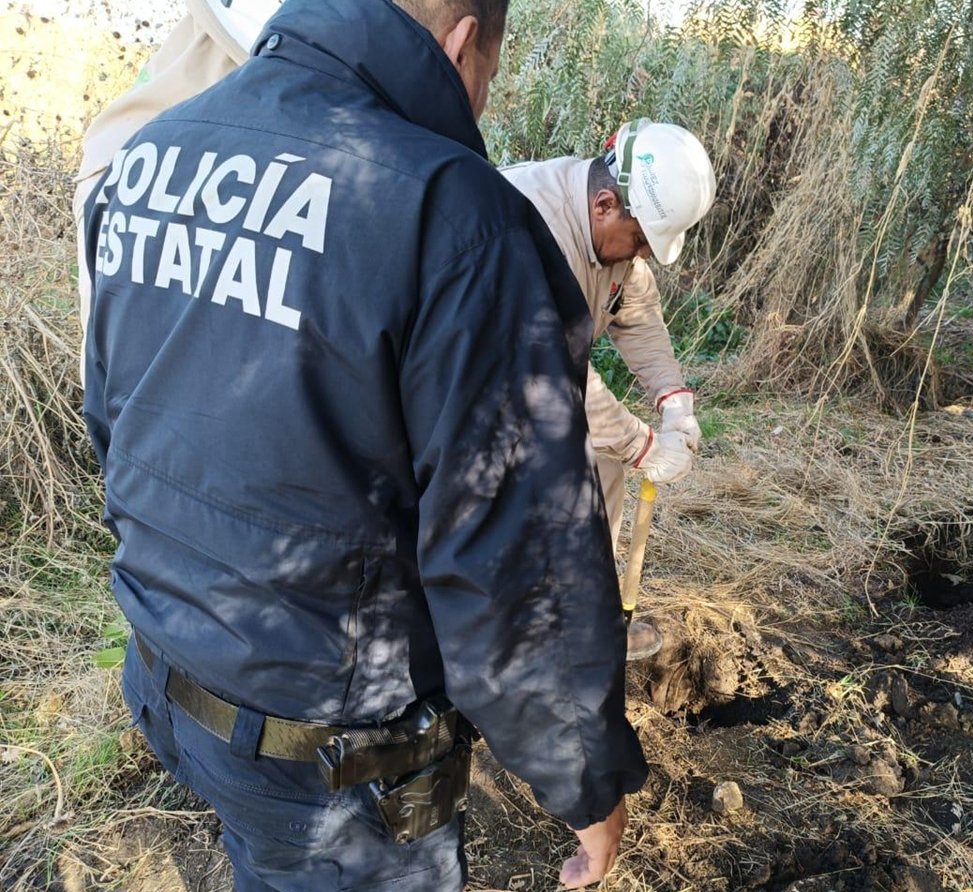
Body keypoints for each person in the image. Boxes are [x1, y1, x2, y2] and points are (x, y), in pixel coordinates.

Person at [78, 0, 648, 889]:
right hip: (324, 760)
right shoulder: (454, 217)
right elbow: (513, 564)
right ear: (462, 40)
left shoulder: (153, 151)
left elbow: (113, 411)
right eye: (489, 74)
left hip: (166, 672)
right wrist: (588, 782)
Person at [502, 122, 716, 659]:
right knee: (592, 456)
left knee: (603, 459)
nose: (642, 254)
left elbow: (637, 313)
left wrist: (673, 402)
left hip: (525, 381)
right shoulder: (533, 225)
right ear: (605, 205)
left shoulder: (612, 241)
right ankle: (530, 630)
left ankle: (578, 617)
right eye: (641, 239)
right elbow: (547, 369)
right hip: (462, 395)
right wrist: (642, 443)